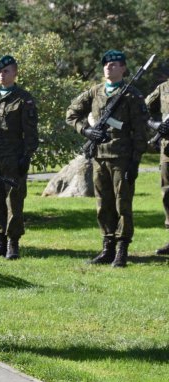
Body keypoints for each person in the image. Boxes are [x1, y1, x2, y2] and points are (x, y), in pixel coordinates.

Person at [66, 50, 148, 267]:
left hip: (122, 158)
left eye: (113, 65)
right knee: (103, 205)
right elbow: (71, 113)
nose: (108, 68)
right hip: (100, 157)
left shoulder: (132, 95)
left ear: (123, 68)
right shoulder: (95, 92)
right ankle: (107, 247)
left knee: (123, 205)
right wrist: (86, 132)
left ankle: (122, 249)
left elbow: (141, 131)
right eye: (106, 65)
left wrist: (136, 160)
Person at [0, 55, 39, 260]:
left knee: (14, 199)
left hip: (14, 154)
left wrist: (27, 156)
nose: (2, 75)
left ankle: (13, 242)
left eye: (6, 71)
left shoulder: (24, 98)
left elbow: (30, 132)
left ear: (15, 73)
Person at [145, 80, 169, 255]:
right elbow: (141, 107)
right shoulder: (163, 88)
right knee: (168, 193)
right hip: (168, 149)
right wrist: (154, 124)